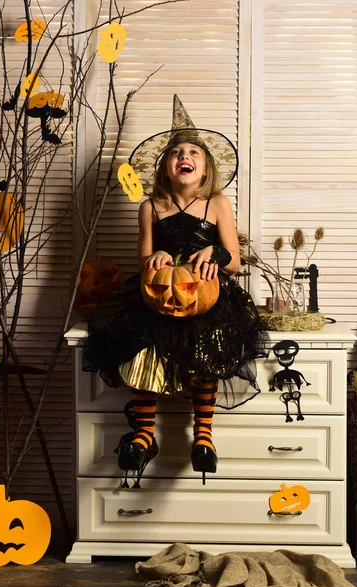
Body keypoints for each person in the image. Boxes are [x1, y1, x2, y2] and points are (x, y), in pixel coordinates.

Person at [83, 95, 268, 487]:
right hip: (158, 296)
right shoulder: (151, 206)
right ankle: (144, 434)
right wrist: (160, 256)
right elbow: (143, 261)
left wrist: (215, 252)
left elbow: (235, 261)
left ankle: (203, 436)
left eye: (194, 152)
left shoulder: (217, 203)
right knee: (141, 350)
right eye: (176, 152)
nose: (185, 156)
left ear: (206, 167)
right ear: (166, 168)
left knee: (208, 353)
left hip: (207, 296)